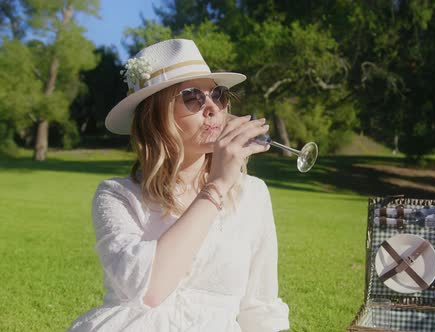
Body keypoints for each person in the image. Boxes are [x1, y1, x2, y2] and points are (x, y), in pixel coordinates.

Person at [67, 39, 290, 331]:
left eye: (218, 95)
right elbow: (149, 291)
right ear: (155, 118)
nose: (212, 108)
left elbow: (260, 305)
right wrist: (217, 187)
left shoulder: (253, 194)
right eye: (193, 98)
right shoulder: (118, 195)